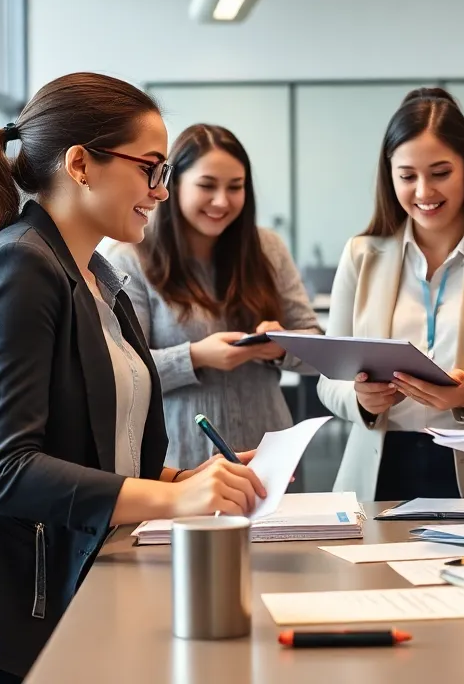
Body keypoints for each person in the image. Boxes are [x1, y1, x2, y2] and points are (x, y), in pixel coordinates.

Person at [0, 73, 266, 684]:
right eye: (150, 169)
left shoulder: (93, 279)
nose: (160, 191)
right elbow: (7, 474)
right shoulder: (19, 268)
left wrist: (185, 478)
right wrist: (174, 500)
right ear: (81, 165)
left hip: (52, 591)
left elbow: (88, 450)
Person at [318, 87, 464, 501]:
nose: (424, 192)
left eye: (440, 173)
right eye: (407, 176)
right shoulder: (362, 253)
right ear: (389, 175)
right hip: (378, 472)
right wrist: (361, 399)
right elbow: (328, 379)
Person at [109, 124, 321, 468]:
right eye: (207, 186)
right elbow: (123, 372)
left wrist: (283, 347)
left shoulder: (268, 248)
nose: (222, 201)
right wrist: (195, 357)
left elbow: (318, 351)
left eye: (235, 187)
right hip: (183, 463)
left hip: (269, 455)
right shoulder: (131, 259)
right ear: (174, 184)